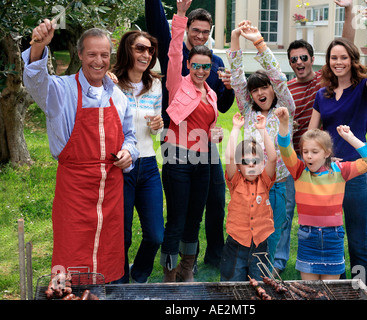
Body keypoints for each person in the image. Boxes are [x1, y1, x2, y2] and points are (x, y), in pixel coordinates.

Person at [22, 20, 139, 282]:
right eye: (92, 55)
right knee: (72, 255)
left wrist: (130, 152)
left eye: (104, 55)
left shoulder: (118, 96)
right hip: (74, 191)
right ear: (79, 55)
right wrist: (39, 45)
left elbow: (131, 137)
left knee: (108, 255)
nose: (99, 61)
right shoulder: (60, 91)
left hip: (110, 191)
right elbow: (34, 81)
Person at [145, 0, 235, 268]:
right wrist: (180, 14)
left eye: (205, 32)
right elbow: (168, 42)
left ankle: (208, 258)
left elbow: (221, 105)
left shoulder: (214, 64)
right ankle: (176, 266)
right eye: (195, 30)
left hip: (205, 145)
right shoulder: (177, 61)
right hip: (176, 143)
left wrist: (228, 89)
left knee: (214, 201)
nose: (200, 35)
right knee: (180, 210)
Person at [308, 0, 367, 289]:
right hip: (327, 178)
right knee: (330, 238)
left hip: (354, 176)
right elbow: (311, 135)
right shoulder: (322, 95)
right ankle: (338, 290)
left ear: (352, 60)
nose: (338, 62)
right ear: (328, 62)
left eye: (343, 58)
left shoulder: (362, 90)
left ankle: (363, 291)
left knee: (357, 242)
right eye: (333, 58)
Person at [276, 0, 355, 274]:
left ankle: (333, 264)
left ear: (312, 59)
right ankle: (279, 261)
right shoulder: (286, 89)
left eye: (303, 57)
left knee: (329, 212)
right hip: (297, 159)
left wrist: (347, 11)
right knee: (288, 212)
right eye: (293, 59)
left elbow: (346, 47)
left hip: (324, 158)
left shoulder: (325, 79)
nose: (299, 62)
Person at [276, 107, 367, 280]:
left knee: (330, 292)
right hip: (307, 238)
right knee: (311, 292)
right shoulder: (299, 171)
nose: (308, 156)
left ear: (327, 153)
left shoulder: (340, 170)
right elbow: (285, 148)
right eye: (305, 152)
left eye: (314, 152)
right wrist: (284, 123)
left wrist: (350, 138)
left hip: (333, 238)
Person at [226, 21, 295, 265]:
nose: (259, 93)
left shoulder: (285, 107)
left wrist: (258, 42)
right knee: (250, 230)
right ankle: (251, 271)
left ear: (273, 90)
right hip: (252, 184)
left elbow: (278, 76)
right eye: (254, 90)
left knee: (275, 230)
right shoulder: (248, 111)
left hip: (279, 183)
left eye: (264, 87)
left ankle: (267, 272)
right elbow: (236, 77)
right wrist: (235, 37)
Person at [160, 0, 219, 282]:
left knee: (194, 220)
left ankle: (186, 271)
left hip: (203, 162)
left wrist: (215, 134)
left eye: (205, 66)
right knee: (176, 221)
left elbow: (209, 127)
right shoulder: (177, 82)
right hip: (178, 159)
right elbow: (173, 50)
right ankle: (169, 277)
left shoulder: (211, 94)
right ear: (188, 64)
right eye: (196, 65)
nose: (200, 70)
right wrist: (181, 16)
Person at [110, 30, 165, 283]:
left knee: (155, 234)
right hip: (120, 166)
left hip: (149, 165)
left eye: (149, 50)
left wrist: (158, 124)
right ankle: (119, 282)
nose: (146, 54)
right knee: (122, 235)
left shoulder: (155, 83)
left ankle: (139, 274)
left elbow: (158, 126)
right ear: (127, 50)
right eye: (140, 48)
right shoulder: (110, 83)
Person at [220, 112, 277, 281]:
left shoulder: (265, 181)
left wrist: (263, 130)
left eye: (256, 161)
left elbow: (273, 158)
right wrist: (236, 128)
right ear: (238, 165)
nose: (251, 165)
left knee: (259, 285)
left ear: (262, 164)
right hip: (236, 244)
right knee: (233, 285)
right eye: (245, 162)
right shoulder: (236, 181)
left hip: (260, 243)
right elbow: (229, 156)